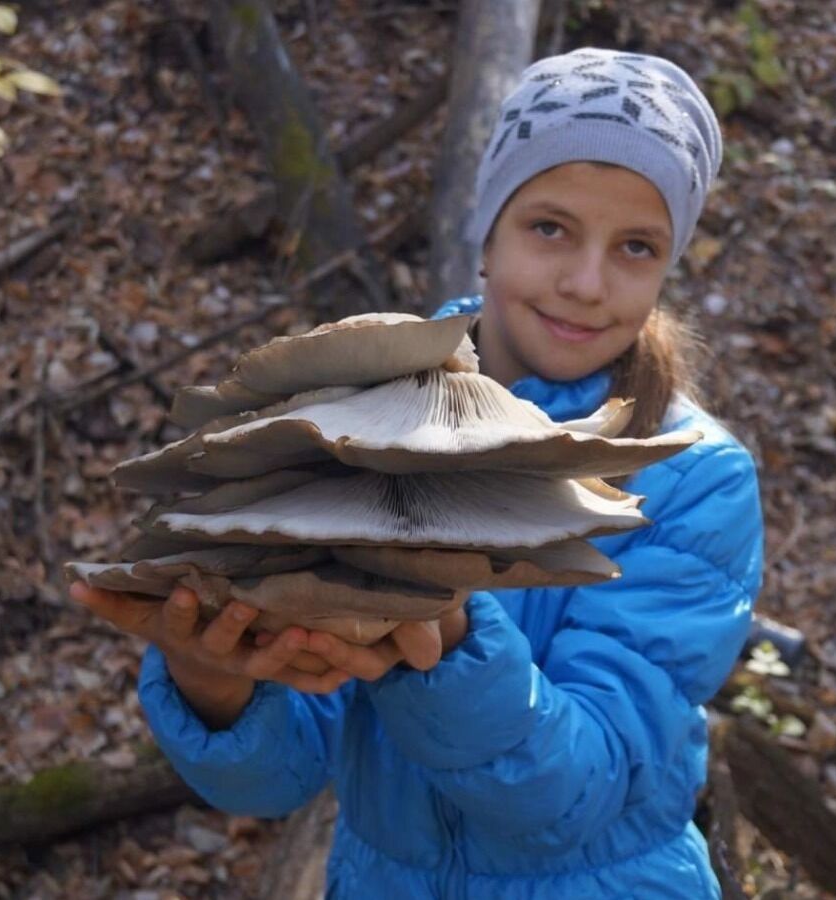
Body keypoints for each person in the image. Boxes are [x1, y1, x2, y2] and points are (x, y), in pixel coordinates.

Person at [72, 46, 764, 898]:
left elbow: (574, 793)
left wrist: (445, 629)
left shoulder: (695, 479)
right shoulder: (350, 422)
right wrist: (213, 680)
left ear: (667, 268)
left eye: (636, 247)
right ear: (488, 230)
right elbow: (274, 782)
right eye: (550, 227)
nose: (587, 282)